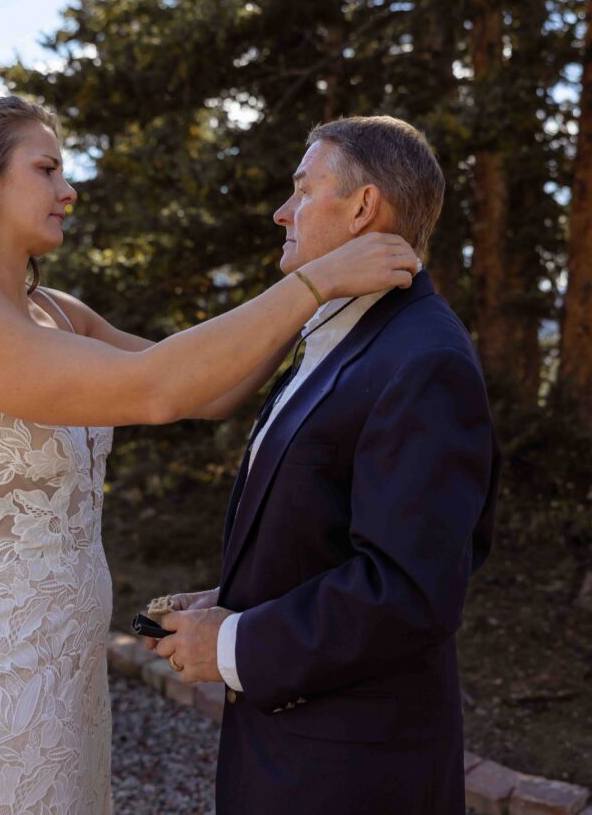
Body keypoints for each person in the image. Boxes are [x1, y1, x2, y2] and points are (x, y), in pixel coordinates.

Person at [0, 95, 420, 814]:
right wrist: (313, 283)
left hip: (62, 672)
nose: (68, 189)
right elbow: (152, 390)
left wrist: (320, 308)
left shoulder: (54, 311)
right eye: (47, 168)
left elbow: (203, 392)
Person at [151, 116, 501, 814]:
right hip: (294, 755)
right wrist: (232, 601)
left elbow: (408, 589)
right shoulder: (342, 338)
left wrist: (234, 643)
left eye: (303, 190)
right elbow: (329, 530)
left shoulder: (423, 359)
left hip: (353, 774)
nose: (283, 211)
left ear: (364, 207)